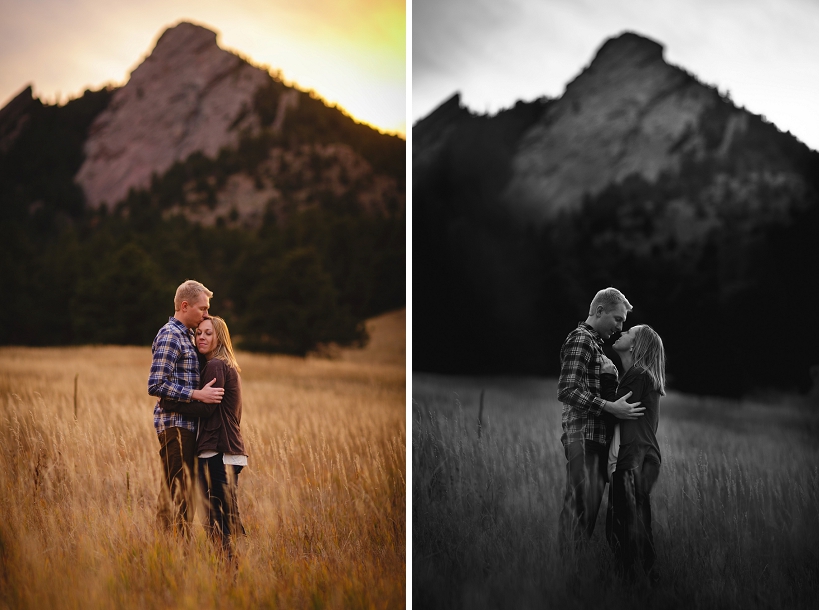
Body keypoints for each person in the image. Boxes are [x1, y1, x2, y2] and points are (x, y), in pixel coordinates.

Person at [557, 287, 645, 553]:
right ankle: (564, 577)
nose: (619, 327)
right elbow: (567, 390)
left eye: (623, 323)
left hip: (594, 442)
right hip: (584, 441)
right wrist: (610, 407)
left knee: (585, 516)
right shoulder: (581, 339)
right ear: (599, 311)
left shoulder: (595, 345)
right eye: (617, 319)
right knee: (578, 516)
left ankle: (571, 574)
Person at [162, 316, 248, 560]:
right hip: (228, 450)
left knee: (214, 516)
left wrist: (171, 404)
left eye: (208, 333)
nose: (201, 337)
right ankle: (235, 564)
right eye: (198, 333)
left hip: (216, 452)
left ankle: (229, 567)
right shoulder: (226, 365)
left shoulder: (216, 366)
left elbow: (207, 408)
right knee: (226, 513)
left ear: (219, 337)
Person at [148, 279, 224, 534]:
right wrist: (197, 394)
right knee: (176, 492)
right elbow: (156, 384)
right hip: (175, 427)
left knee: (183, 491)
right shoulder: (171, 335)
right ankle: (171, 549)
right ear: (184, 305)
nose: (206, 314)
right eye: (202, 308)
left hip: (188, 427)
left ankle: (176, 549)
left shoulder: (187, 336)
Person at [606, 325, 666, 583]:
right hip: (646, 459)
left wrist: (607, 376)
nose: (622, 332)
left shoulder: (637, 375)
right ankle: (647, 578)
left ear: (635, 345)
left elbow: (611, 409)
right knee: (635, 522)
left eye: (629, 331)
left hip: (635, 460)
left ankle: (630, 582)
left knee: (619, 527)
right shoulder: (642, 377)